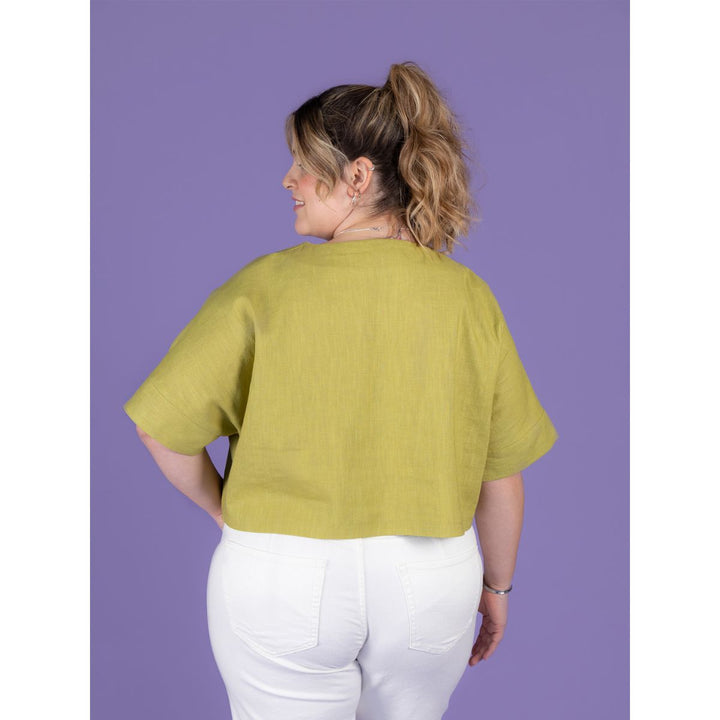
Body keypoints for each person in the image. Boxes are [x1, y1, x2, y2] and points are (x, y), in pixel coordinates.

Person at [123, 61, 558, 720]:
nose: (287, 179)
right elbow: (501, 474)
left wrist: (225, 515)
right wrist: (497, 588)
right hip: (429, 585)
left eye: (302, 164)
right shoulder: (468, 298)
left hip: (281, 577)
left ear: (357, 176)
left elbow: (159, 427)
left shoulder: (263, 288)